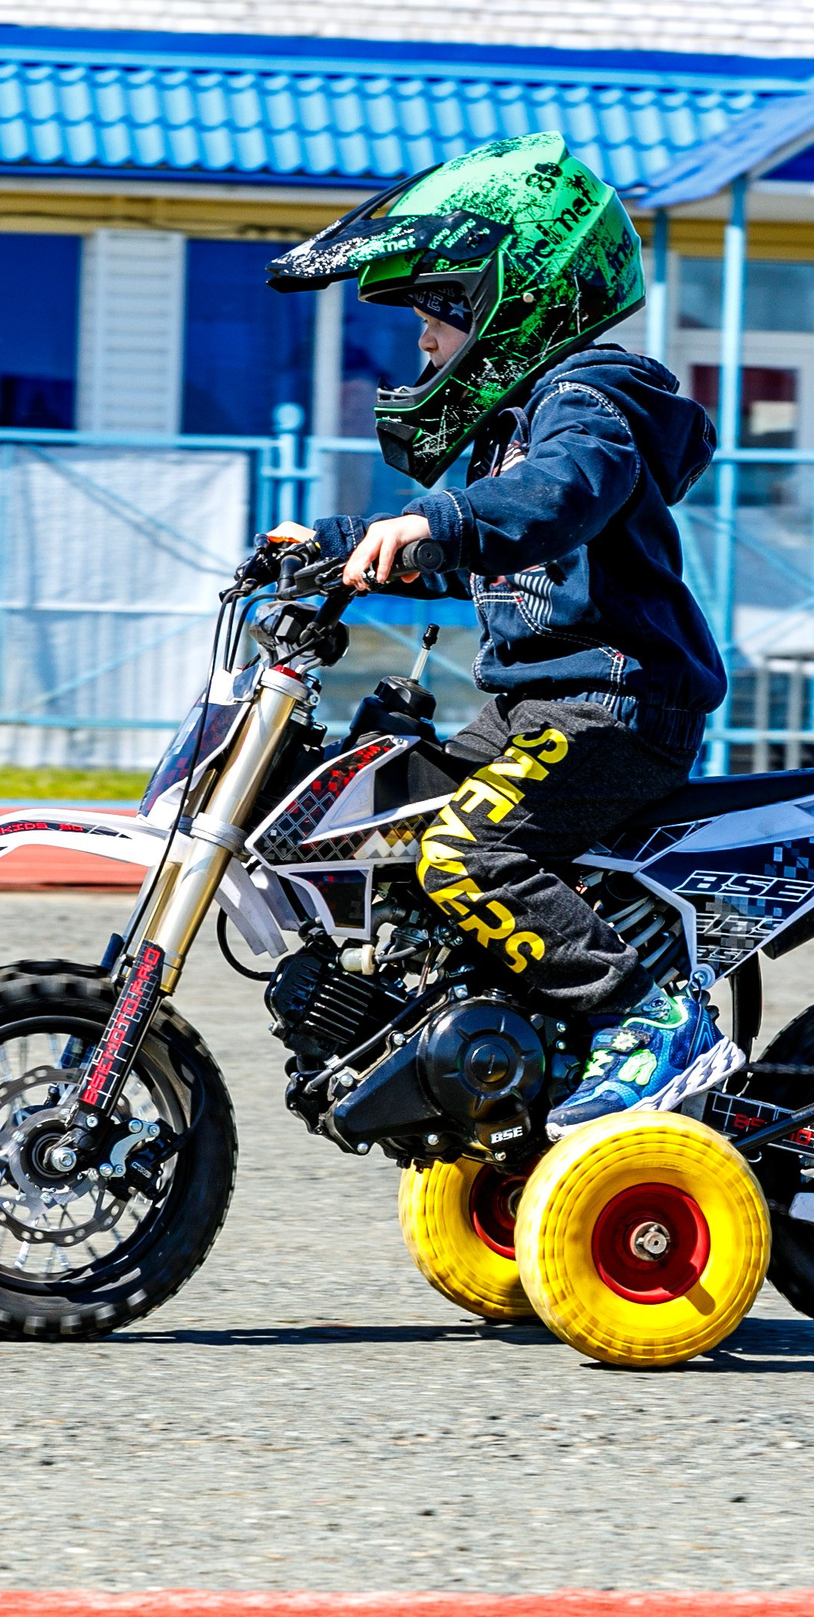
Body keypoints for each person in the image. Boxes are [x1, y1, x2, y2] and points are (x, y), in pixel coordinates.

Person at [269, 131, 733, 1137]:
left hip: (613, 706)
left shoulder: (590, 402)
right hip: (538, 708)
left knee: (463, 849)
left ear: (513, 301)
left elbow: (558, 497)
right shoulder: (517, 425)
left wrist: (433, 521)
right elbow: (488, 553)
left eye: (436, 318)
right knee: (385, 806)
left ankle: (646, 1021)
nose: (424, 347)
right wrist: (340, 549)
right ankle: (487, 1039)